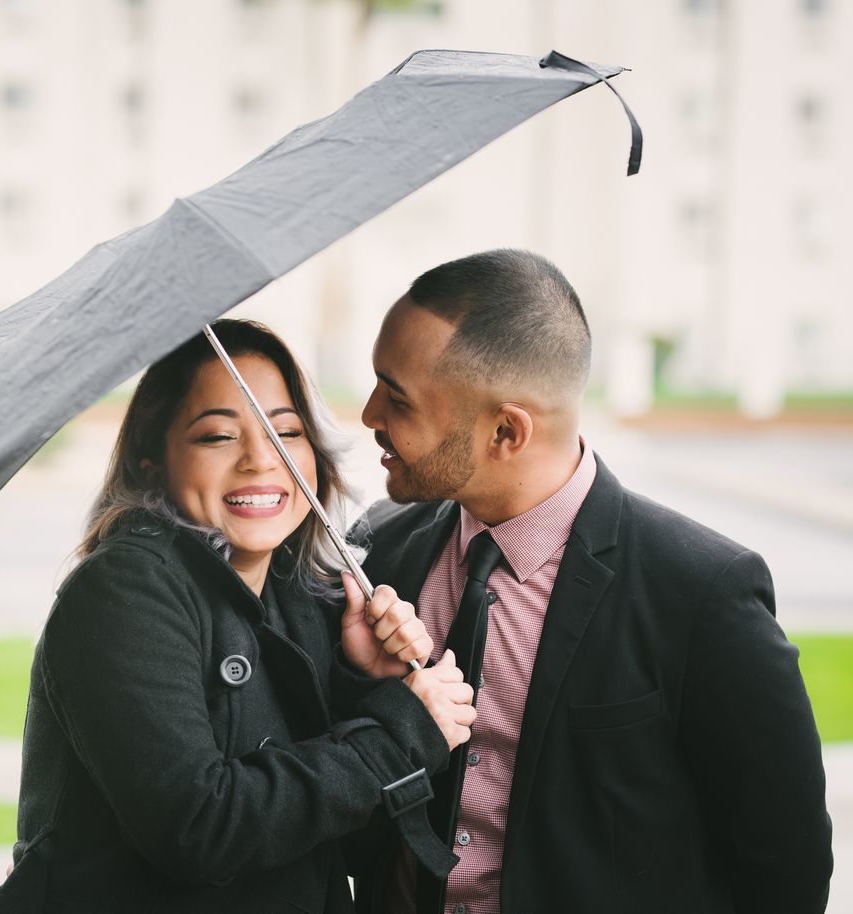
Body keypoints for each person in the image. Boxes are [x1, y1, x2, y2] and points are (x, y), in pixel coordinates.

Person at [350, 249, 833, 914]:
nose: (369, 413)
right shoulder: (381, 549)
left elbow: (784, 870)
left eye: (396, 397)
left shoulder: (701, 593)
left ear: (505, 430)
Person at [0, 319, 476, 914]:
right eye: (218, 436)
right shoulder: (122, 595)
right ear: (151, 464)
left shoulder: (298, 599)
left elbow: (337, 835)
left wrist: (361, 680)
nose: (259, 460)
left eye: (287, 431)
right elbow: (199, 828)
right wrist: (403, 730)